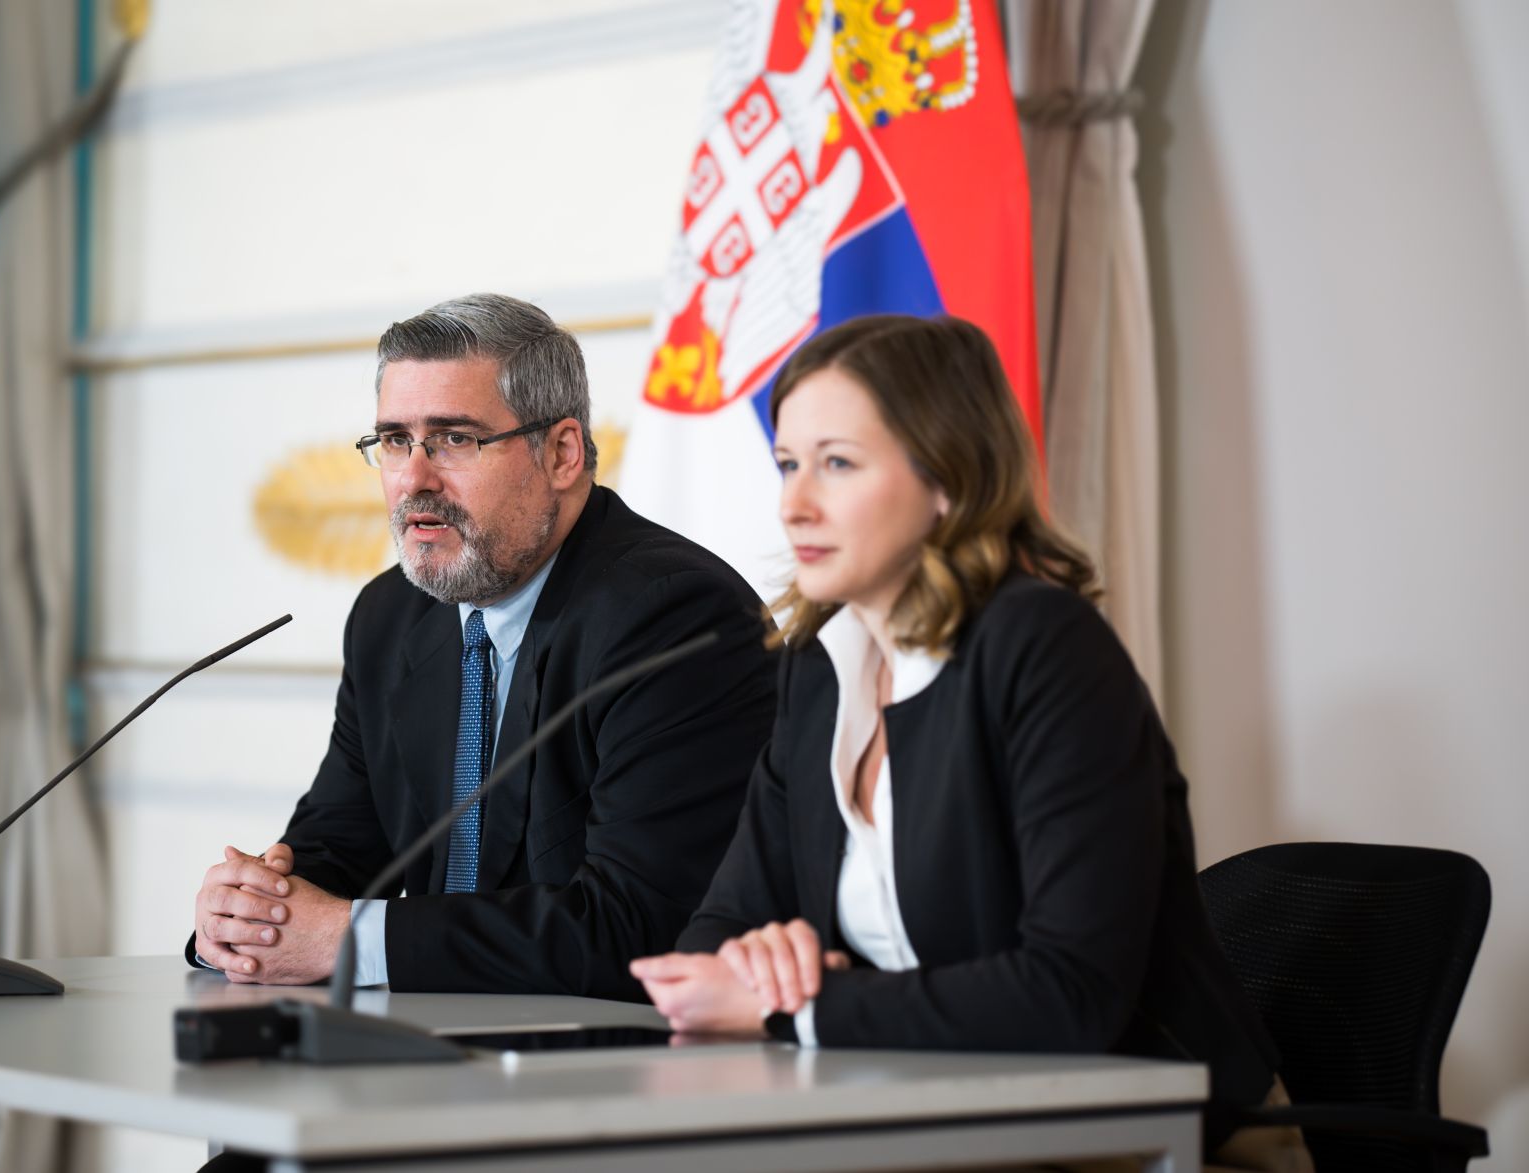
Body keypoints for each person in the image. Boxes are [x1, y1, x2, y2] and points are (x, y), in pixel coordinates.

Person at [630, 314, 1309, 1171]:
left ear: (948, 478)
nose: (793, 504)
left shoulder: (1044, 649)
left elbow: (1069, 995)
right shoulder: (820, 669)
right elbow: (714, 935)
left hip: (1146, 1136)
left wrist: (795, 1006)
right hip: (928, 1120)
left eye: (837, 463)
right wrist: (757, 960)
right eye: (788, 463)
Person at [187, 293, 776, 1000]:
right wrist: (248, 914)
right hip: (432, 1038)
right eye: (395, 440)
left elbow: (638, 924)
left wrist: (350, 940)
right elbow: (336, 851)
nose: (414, 479)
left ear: (561, 453)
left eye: (454, 440)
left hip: (622, 1050)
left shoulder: (672, 616)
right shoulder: (390, 617)